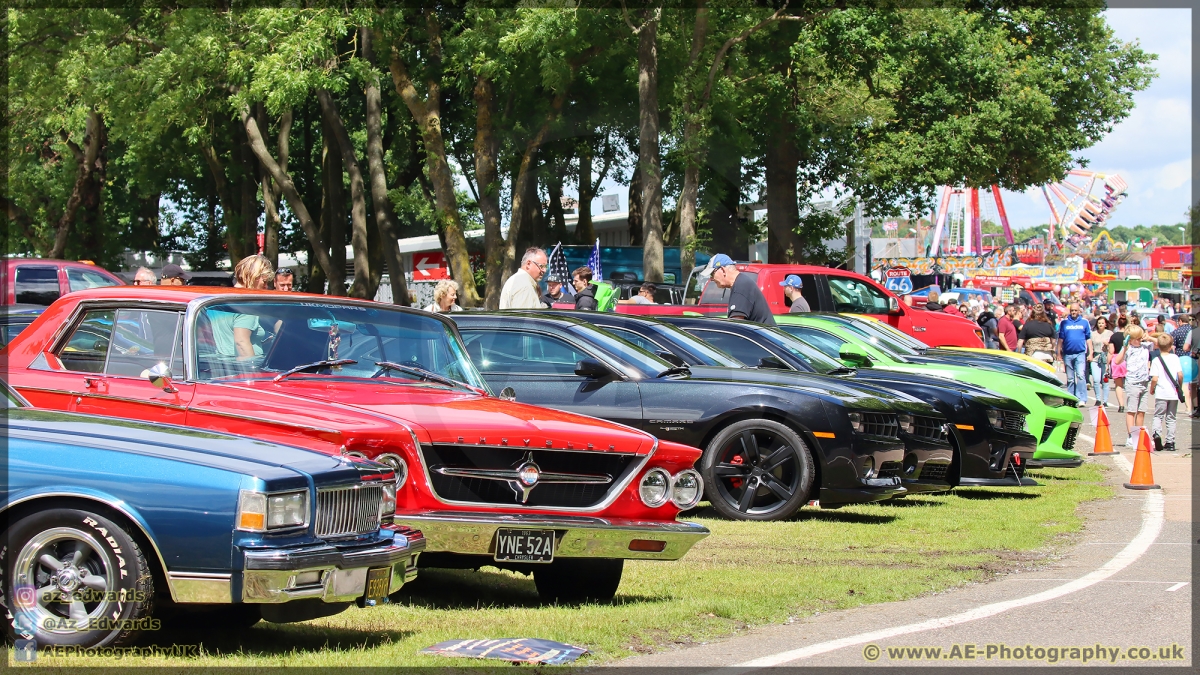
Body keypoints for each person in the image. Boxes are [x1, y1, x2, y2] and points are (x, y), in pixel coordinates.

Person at [212, 255, 272, 358]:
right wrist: (253, 371)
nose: (266, 287)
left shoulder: (221, 301)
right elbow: (241, 342)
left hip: (223, 366)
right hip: (244, 369)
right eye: (264, 281)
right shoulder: (246, 305)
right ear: (255, 276)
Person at [1112, 325, 1151, 447]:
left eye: (1140, 338)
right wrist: (1124, 347)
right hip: (1132, 383)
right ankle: (1131, 436)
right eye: (1136, 338)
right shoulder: (1128, 349)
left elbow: (1162, 342)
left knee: (1141, 411)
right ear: (1130, 339)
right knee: (1132, 411)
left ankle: (1138, 435)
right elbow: (1117, 361)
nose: (1139, 340)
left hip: (1144, 382)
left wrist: (1148, 336)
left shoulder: (1145, 347)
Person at [708, 254, 775, 325]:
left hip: (762, 336)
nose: (711, 279)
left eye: (712, 274)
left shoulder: (741, 287)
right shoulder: (741, 283)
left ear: (722, 270)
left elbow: (735, 326)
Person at [1148, 332, 1183, 451]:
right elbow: (1180, 374)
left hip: (1161, 393)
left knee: (1158, 415)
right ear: (1171, 346)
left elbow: (1154, 378)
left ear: (1157, 345)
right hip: (1173, 393)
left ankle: (1157, 434)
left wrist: (1152, 388)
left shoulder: (1156, 360)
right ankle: (1170, 442)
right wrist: (1179, 386)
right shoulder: (1175, 358)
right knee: (1171, 417)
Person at [1058, 303, 1091, 404]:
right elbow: (1060, 339)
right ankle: (1071, 398)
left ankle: (1082, 398)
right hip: (1067, 354)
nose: (1073, 312)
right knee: (1071, 378)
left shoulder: (1084, 322)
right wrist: (1058, 353)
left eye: (1075, 310)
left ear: (1079, 311)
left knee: (1081, 375)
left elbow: (1088, 339)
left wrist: (1091, 352)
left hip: (1080, 353)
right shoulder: (1064, 323)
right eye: (1072, 310)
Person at [1088, 316, 1113, 408]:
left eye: (1102, 323)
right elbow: (1090, 345)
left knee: (1105, 380)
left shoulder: (1110, 333)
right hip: (1095, 358)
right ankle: (1098, 399)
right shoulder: (1093, 334)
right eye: (1099, 323)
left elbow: (1112, 347)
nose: (1101, 325)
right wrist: (1090, 354)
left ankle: (1105, 401)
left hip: (1105, 358)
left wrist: (1108, 344)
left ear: (1106, 324)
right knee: (1096, 380)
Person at [1110, 316, 1129, 412]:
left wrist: (1107, 364)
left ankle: (1121, 405)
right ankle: (1131, 404)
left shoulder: (1114, 336)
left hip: (1116, 360)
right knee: (1129, 384)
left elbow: (1111, 351)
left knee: (1118, 385)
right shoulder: (1128, 336)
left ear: (1118, 324)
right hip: (1127, 359)